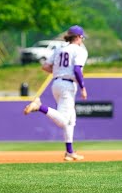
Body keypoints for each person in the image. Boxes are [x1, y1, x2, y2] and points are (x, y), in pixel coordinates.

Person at [23, 25, 88, 161]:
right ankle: (39, 107)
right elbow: (77, 70)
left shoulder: (59, 48)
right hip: (67, 85)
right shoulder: (79, 50)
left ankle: (69, 152)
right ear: (77, 37)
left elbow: (45, 66)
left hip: (56, 83)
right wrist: (83, 87)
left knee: (71, 120)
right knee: (64, 121)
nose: (82, 40)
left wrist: (60, 72)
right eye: (81, 37)